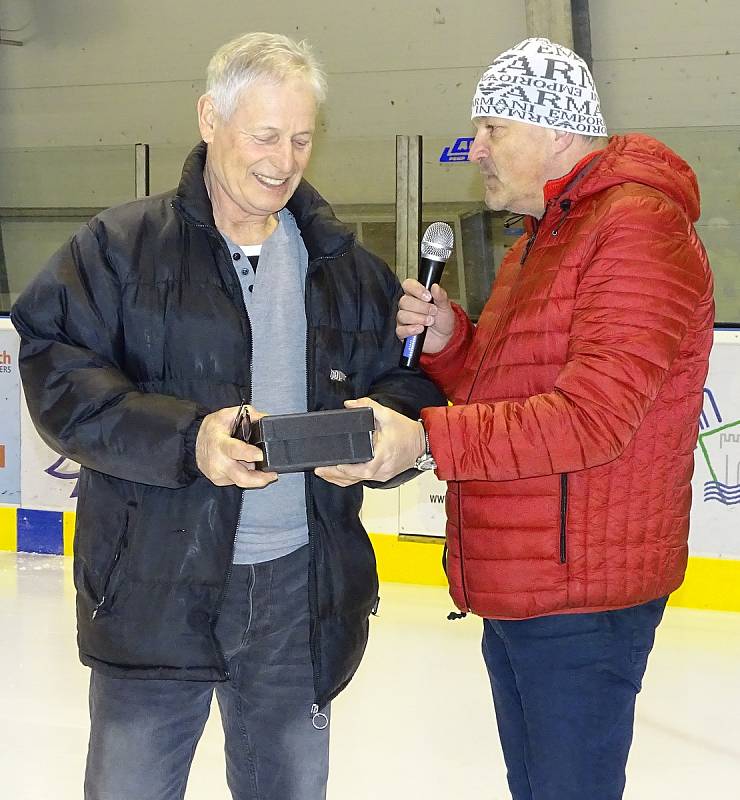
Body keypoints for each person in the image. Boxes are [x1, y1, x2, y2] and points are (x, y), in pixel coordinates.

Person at [11, 32, 444, 800]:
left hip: (298, 597)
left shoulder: (344, 266)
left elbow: (405, 385)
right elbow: (56, 372)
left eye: (302, 138)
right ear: (211, 119)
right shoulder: (118, 248)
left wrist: (398, 439)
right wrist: (189, 440)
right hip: (153, 586)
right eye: (266, 135)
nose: (285, 159)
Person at [320, 37, 715, 800]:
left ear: (557, 132)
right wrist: (452, 341)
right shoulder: (547, 237)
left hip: (583, 593)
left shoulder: (635, 229)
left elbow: (592, 418)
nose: (478, 150)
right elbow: (509, 392)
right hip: (529, 580)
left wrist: (425, 437)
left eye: (494, 129)